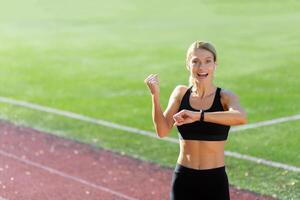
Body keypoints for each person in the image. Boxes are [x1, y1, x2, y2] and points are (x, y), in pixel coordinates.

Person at [144, 41, 247, 200]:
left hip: (214, 180)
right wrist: (155, 96)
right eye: (195, 61)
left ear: (215, 65)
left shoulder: (225, 97)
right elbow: (162, 131)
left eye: (207, 61)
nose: (201, 67)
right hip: (184, 178)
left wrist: (199, 115)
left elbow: (241, 117)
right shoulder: (180, 93)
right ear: (188, 64)